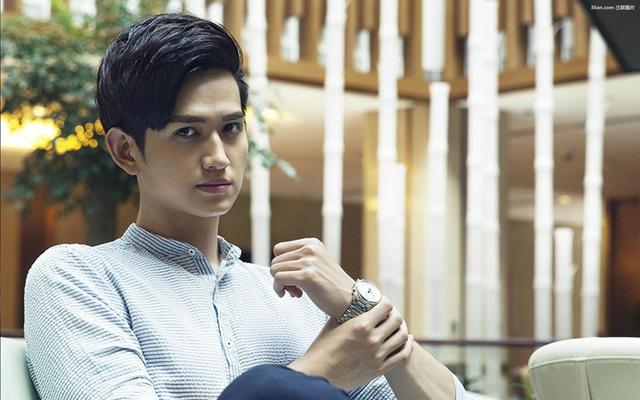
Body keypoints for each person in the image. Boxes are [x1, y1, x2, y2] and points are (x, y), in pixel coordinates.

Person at [24, 13, 468, 400]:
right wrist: (320, 372)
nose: (218, 157)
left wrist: (358, 304)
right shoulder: (79, 278)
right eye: (187, 132)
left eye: (231, 128)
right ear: (125, 151)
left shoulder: (293, 296)